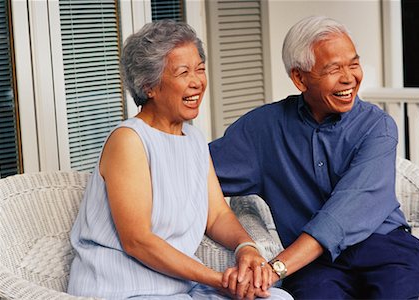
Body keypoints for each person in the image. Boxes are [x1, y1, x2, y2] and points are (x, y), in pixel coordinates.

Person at [209, 15, 419, 299]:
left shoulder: (377, 127)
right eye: (334, 68)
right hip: (314, 265)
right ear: (299, 78)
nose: (349, 78)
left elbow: (346, 212)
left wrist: (277, 267)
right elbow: (198, 172)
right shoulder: (262, 130)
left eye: (354, 64)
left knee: (400, 287)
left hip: (384, 247)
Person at [67, 19, 292, 300]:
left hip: (178, 286)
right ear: (149, 86)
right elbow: (137, 240)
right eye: (183, 72)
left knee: (279, 298)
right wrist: (218, 279)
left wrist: (246, 247)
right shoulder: (129, 140)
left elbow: (218, 215)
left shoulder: (194, 139)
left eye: (199, 69)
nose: (197, 81)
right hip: (121, 288)